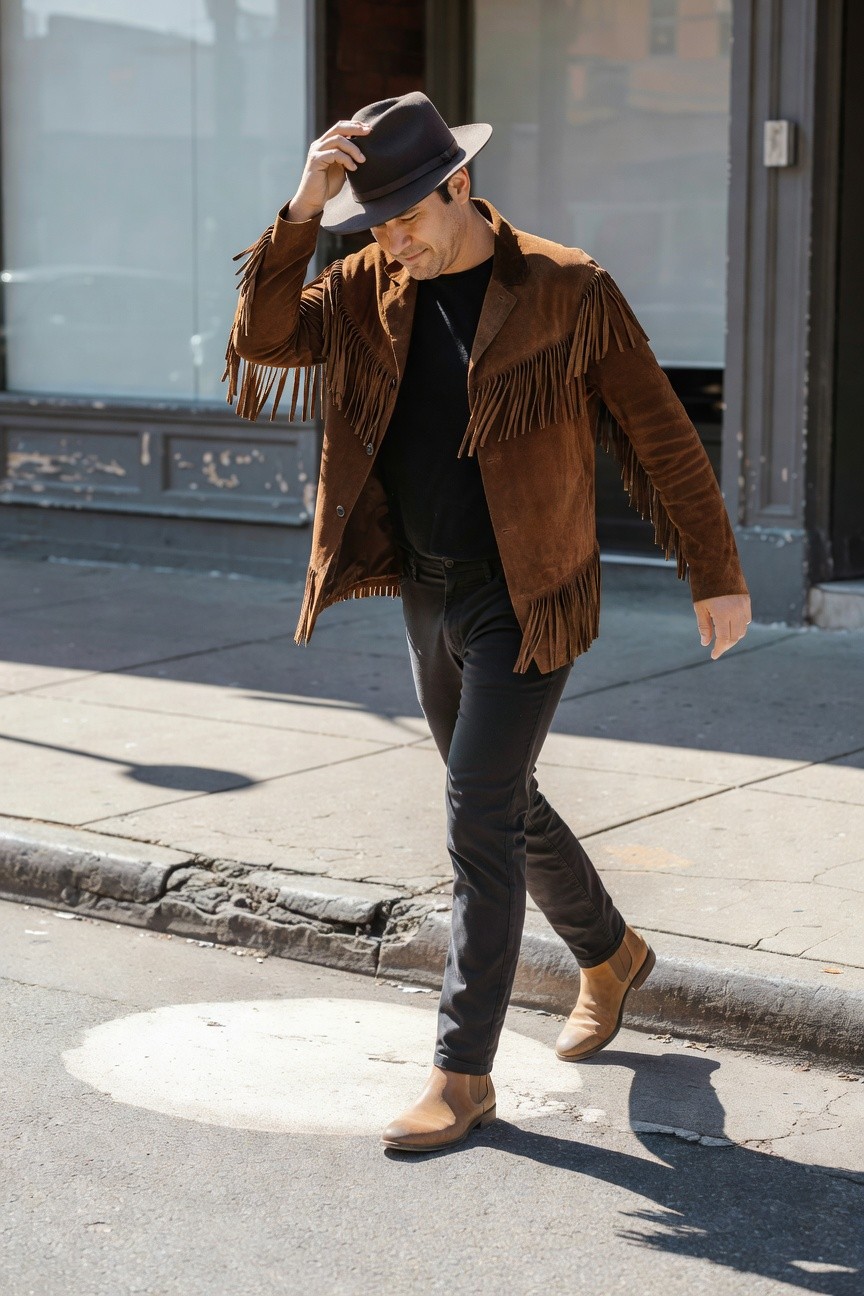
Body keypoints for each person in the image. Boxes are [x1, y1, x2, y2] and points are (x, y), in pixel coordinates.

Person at [224, 92, 752, 1153]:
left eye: (406, 215)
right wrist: (302, 203)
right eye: (372, 221)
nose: (391, 238)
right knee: (501, 798)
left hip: (530, 592)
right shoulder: (369, 283)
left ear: (459, 187)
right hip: (426, 583)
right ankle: (610, 953)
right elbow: (266, 336)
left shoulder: (565, 287)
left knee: (475, 813)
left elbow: (659, 437)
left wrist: (717, 572)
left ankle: (462, 1076)